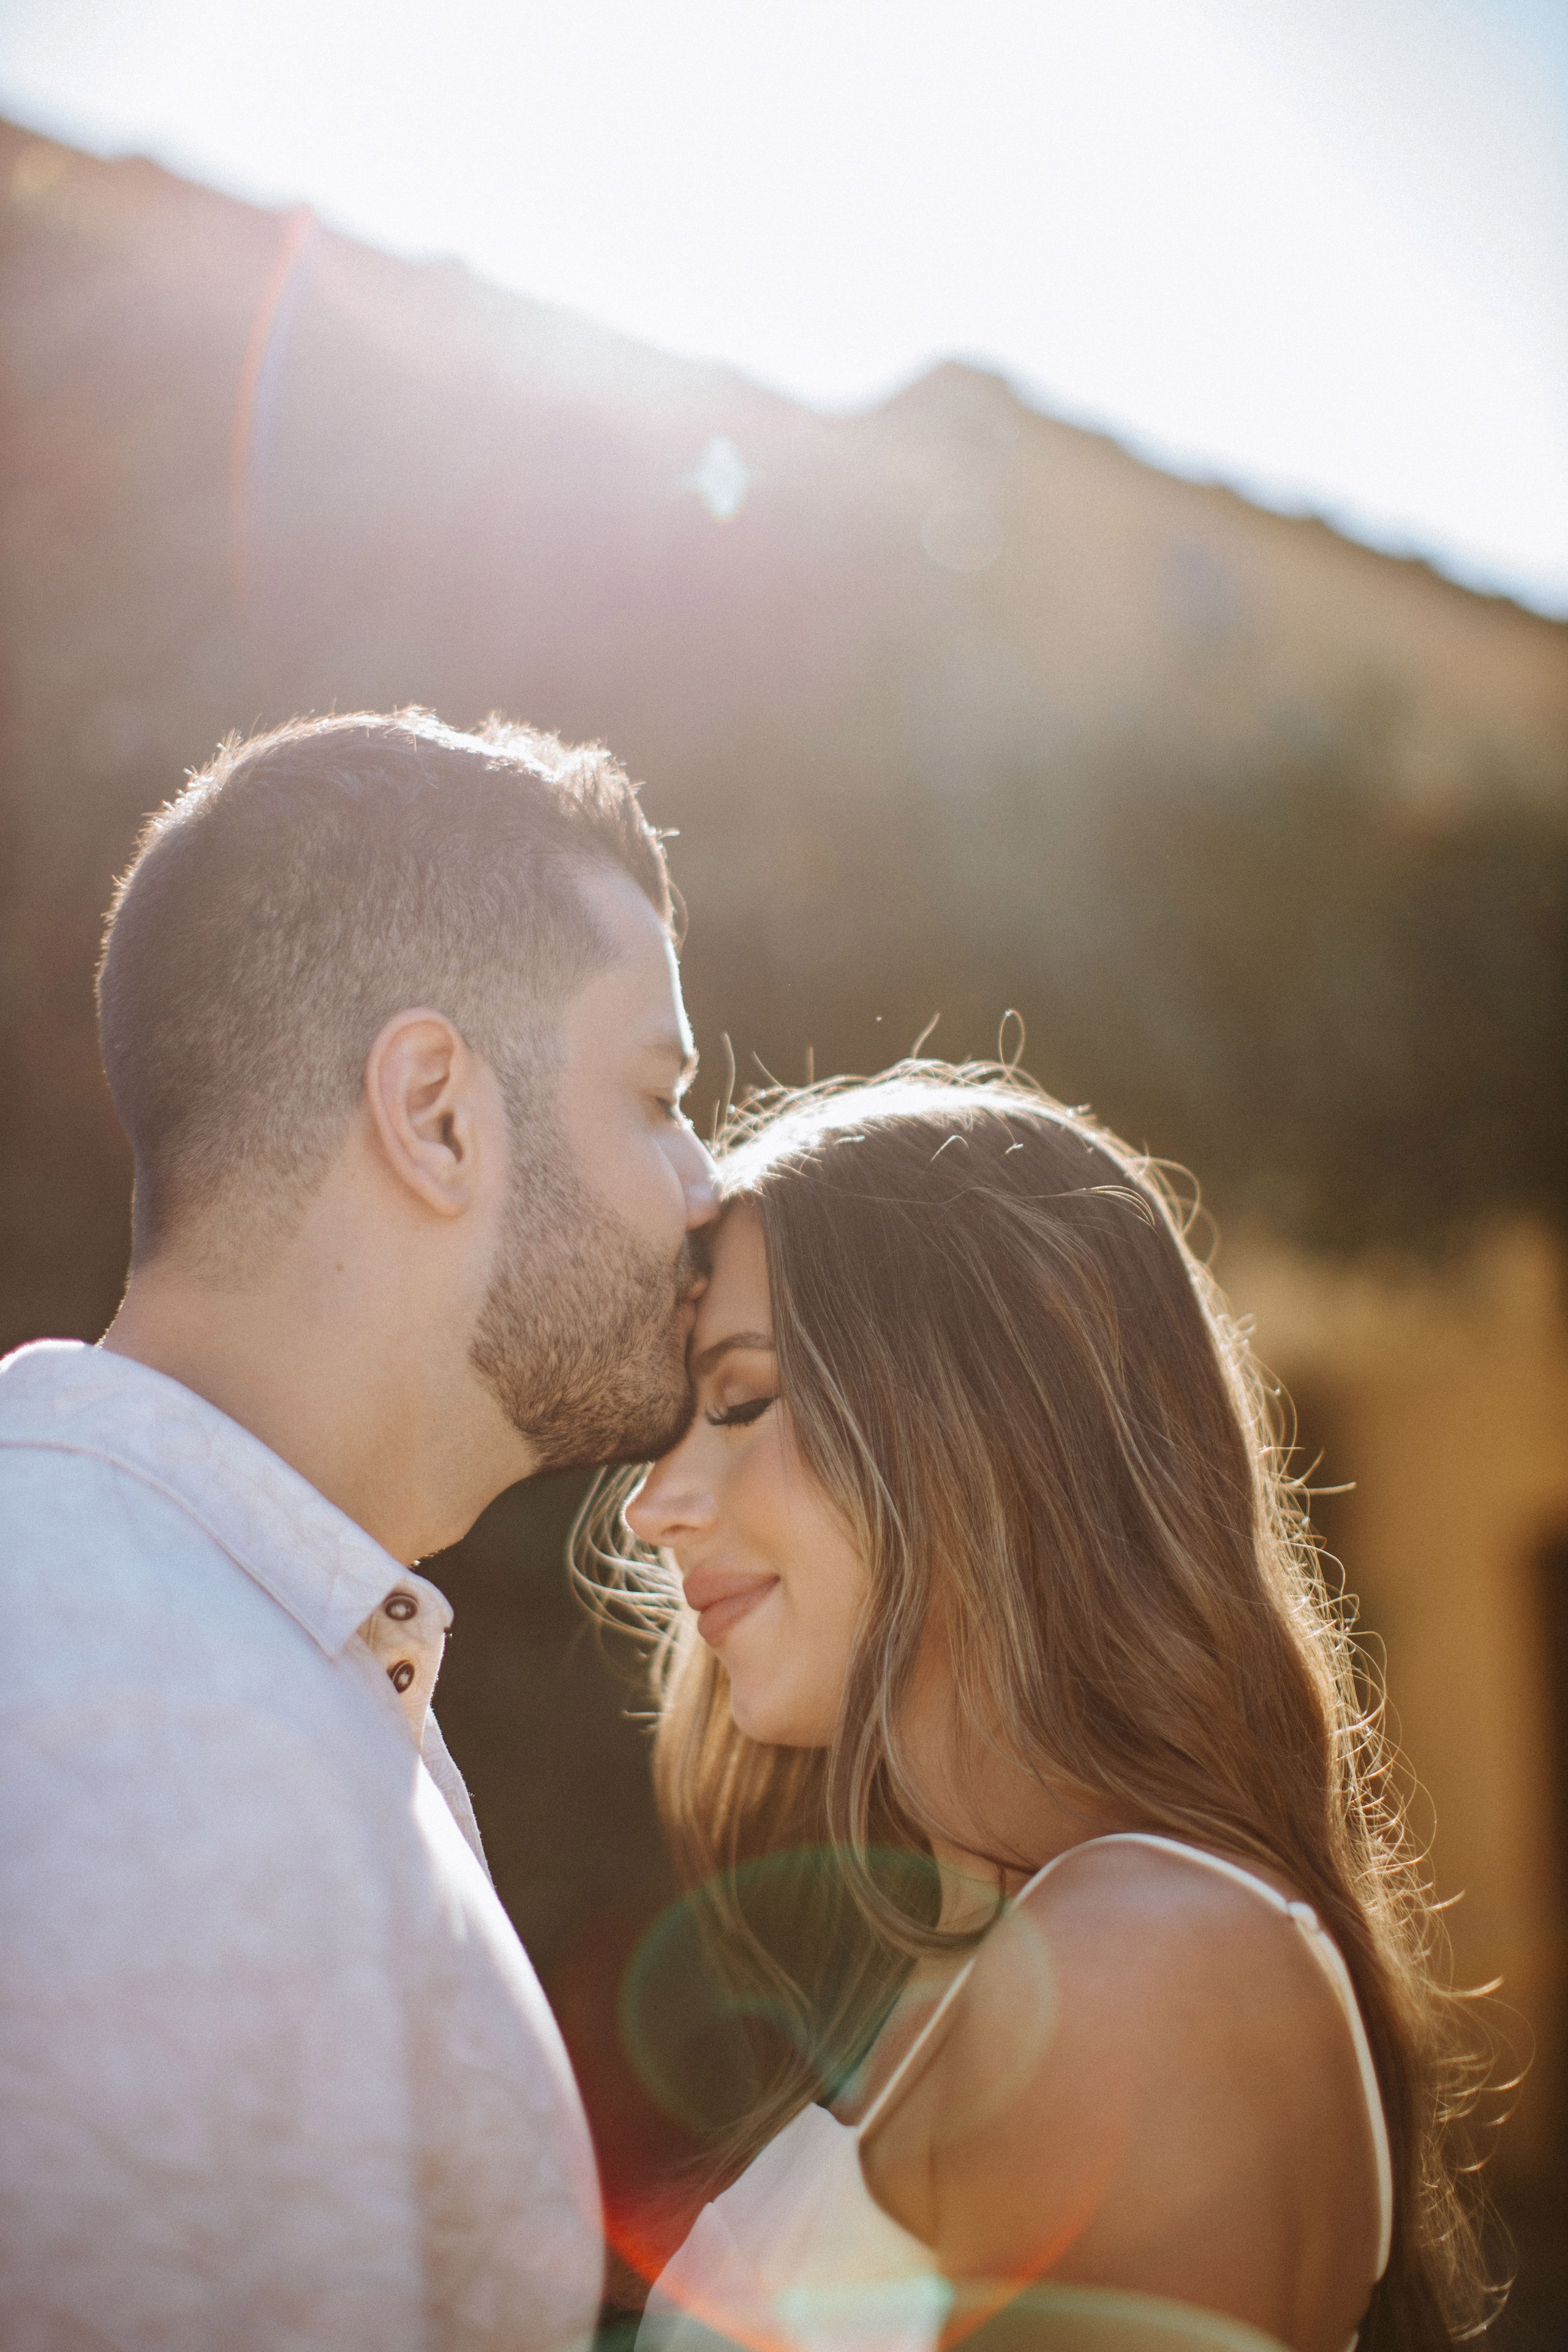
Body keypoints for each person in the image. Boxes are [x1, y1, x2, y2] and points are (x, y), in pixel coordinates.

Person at [0, 709, 718, 2350]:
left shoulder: (229, 1640)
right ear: (436, 1114)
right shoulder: (159, 1726)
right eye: (657, 1092)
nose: (705, 1186)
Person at [586, 1066, 1491, 2352]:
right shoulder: (994, 1969)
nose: (649, 1505)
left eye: (738, 1401)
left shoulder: (1149, 1965)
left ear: (982, 1417)